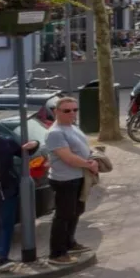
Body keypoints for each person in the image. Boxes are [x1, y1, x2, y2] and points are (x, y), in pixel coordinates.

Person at [45, 98, 97, 263]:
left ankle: (70, 243)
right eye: (67, 111)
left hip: (78, 177)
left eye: (75, 110)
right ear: (56, 112)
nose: (72, 113)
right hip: (64, 180)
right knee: (63, 215)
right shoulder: (55, 133)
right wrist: (89, 165)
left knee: (75, 212)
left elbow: (83, 148)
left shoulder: (73, 127)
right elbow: (68, 158)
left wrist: (93, 159)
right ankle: (57, 254)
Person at [0, 119, 37, 269]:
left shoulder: (6, 143)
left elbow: (23, 152)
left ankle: (3, 257)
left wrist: (34, 144)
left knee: (6, 223)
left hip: (8, 189)